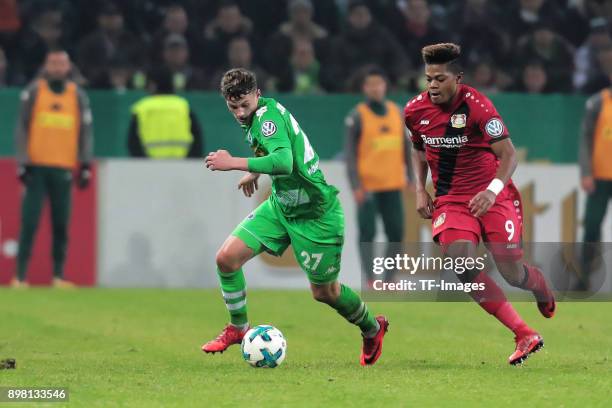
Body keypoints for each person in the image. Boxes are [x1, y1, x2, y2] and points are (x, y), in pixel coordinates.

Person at [201, 68, 388, 366]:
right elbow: (280, 152)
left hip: (316, 215)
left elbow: (285, 162)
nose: (238, 112)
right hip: (281, 206)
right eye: (232, 106)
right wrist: (255, 171)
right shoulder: (257, 116)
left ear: (257, 95)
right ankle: (238, 327)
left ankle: (372, 328)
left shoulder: (267, 119)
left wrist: (233, 163)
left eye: (244, 105)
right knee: (226, 258)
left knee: (326, 292)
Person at [405, 43, 556, 365]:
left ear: (457, 78)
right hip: (451, 202)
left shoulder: (479, 107)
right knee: (459, 262)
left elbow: (509, 155)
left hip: (493, 196)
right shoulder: (414, 111)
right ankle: (523, 333)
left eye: (440, 79)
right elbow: (418, 150)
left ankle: (537, 283)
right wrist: (420, 189)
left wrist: (491, 190)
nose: (432, 85)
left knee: (512, 273)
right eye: (428, 78)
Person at [13, 48, 93, 288]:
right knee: (29, 222)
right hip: (36, 167)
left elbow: (85, 131)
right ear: (46, 66)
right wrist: (22, 162)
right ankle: (20, 276)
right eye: (53, 63)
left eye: (61, 64)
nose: (57, 68)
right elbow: (21, 128)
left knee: (61, 224)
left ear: (68, 67)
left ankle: (58, 275)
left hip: (64, 167)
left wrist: (86, 163)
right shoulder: (34, 91)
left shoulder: (77, 95)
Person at [345, 66, 412, 285]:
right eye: (370, 84)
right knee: (368, 234)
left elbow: (406, 148)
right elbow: (350, 155)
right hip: (368, 186)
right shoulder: (357, 116)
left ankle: (390, 279)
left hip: (393, 184)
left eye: (379, 84)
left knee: (396, 232)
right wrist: (355, 185)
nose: (375, 89)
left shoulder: (397, 112)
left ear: (385, 86)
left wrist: (411, 178)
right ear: (365, 88)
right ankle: (371, 279)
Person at [578, 54, 612, 290]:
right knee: (591, 227)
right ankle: (583, 279)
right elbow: (585, 139)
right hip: (599, 176)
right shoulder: (598, 102)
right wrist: (586, 172)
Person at [128, 68, 203, 158]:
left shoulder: (142, 108)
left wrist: (144, 164)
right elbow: (197, 140)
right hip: (182, 167)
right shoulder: (183, 107)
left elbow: (133, 143)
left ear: (153, 84)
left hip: (149, 168)